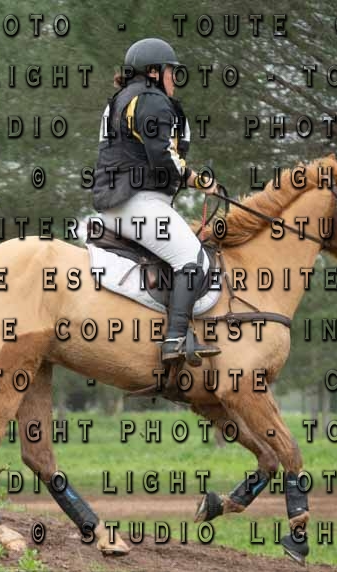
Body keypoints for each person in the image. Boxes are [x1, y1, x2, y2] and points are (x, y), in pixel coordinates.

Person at [90, 37, 222, 365]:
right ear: (153, 72)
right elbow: (162, 156)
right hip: (136, 202)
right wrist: (198, 180)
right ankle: (175, 338)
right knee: (192, 258)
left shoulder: (122, 99)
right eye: (170, 71)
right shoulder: (150, 99)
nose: (174, 78)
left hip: (122, 201)